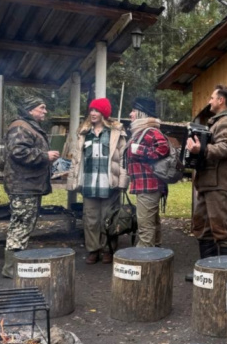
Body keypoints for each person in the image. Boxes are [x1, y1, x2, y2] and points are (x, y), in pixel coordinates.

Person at [186, 85, 227, 272]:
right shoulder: (217, 122)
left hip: (220, 184)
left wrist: (202, 150)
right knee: (203, 230)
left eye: (212, 98)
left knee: (222, 232)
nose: (209, 101)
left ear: (221, 100)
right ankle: (209, 273)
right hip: (208, 183)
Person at [66, 98, 129, 264]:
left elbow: (124, 158)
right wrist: (72, 180)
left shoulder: (116, 132)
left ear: (104, 114)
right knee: (90, 219)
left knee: (108, 219)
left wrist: (123, 180)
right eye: (91, 110)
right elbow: (76, 159)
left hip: (109, 183)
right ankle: (93, 250)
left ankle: (108, 249)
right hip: (89, 182)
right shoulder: (83, 133)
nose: (93, 113)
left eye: (97, 111)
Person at [2, 96, 60, 278]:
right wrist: (45, 156)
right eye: (41, 108)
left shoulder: (29, 126)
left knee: (25, 223)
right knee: (20, 224)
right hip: (23, 185)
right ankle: (11, 268)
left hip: (29, 184)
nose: (45, 111)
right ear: (30, 110)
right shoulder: (20, 126)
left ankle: (16, 264)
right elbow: (18, 152)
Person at [126, 97, 170, 247]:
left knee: (145, 226)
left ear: (141, 113)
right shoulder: (140, 131)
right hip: (145, 185)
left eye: (133, 111)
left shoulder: (150, 131)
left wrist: (139, 150)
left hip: (149, 186)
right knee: (151, 223)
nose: (130, 114)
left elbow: (164, 148)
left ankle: (144, 257)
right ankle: (156, 254)